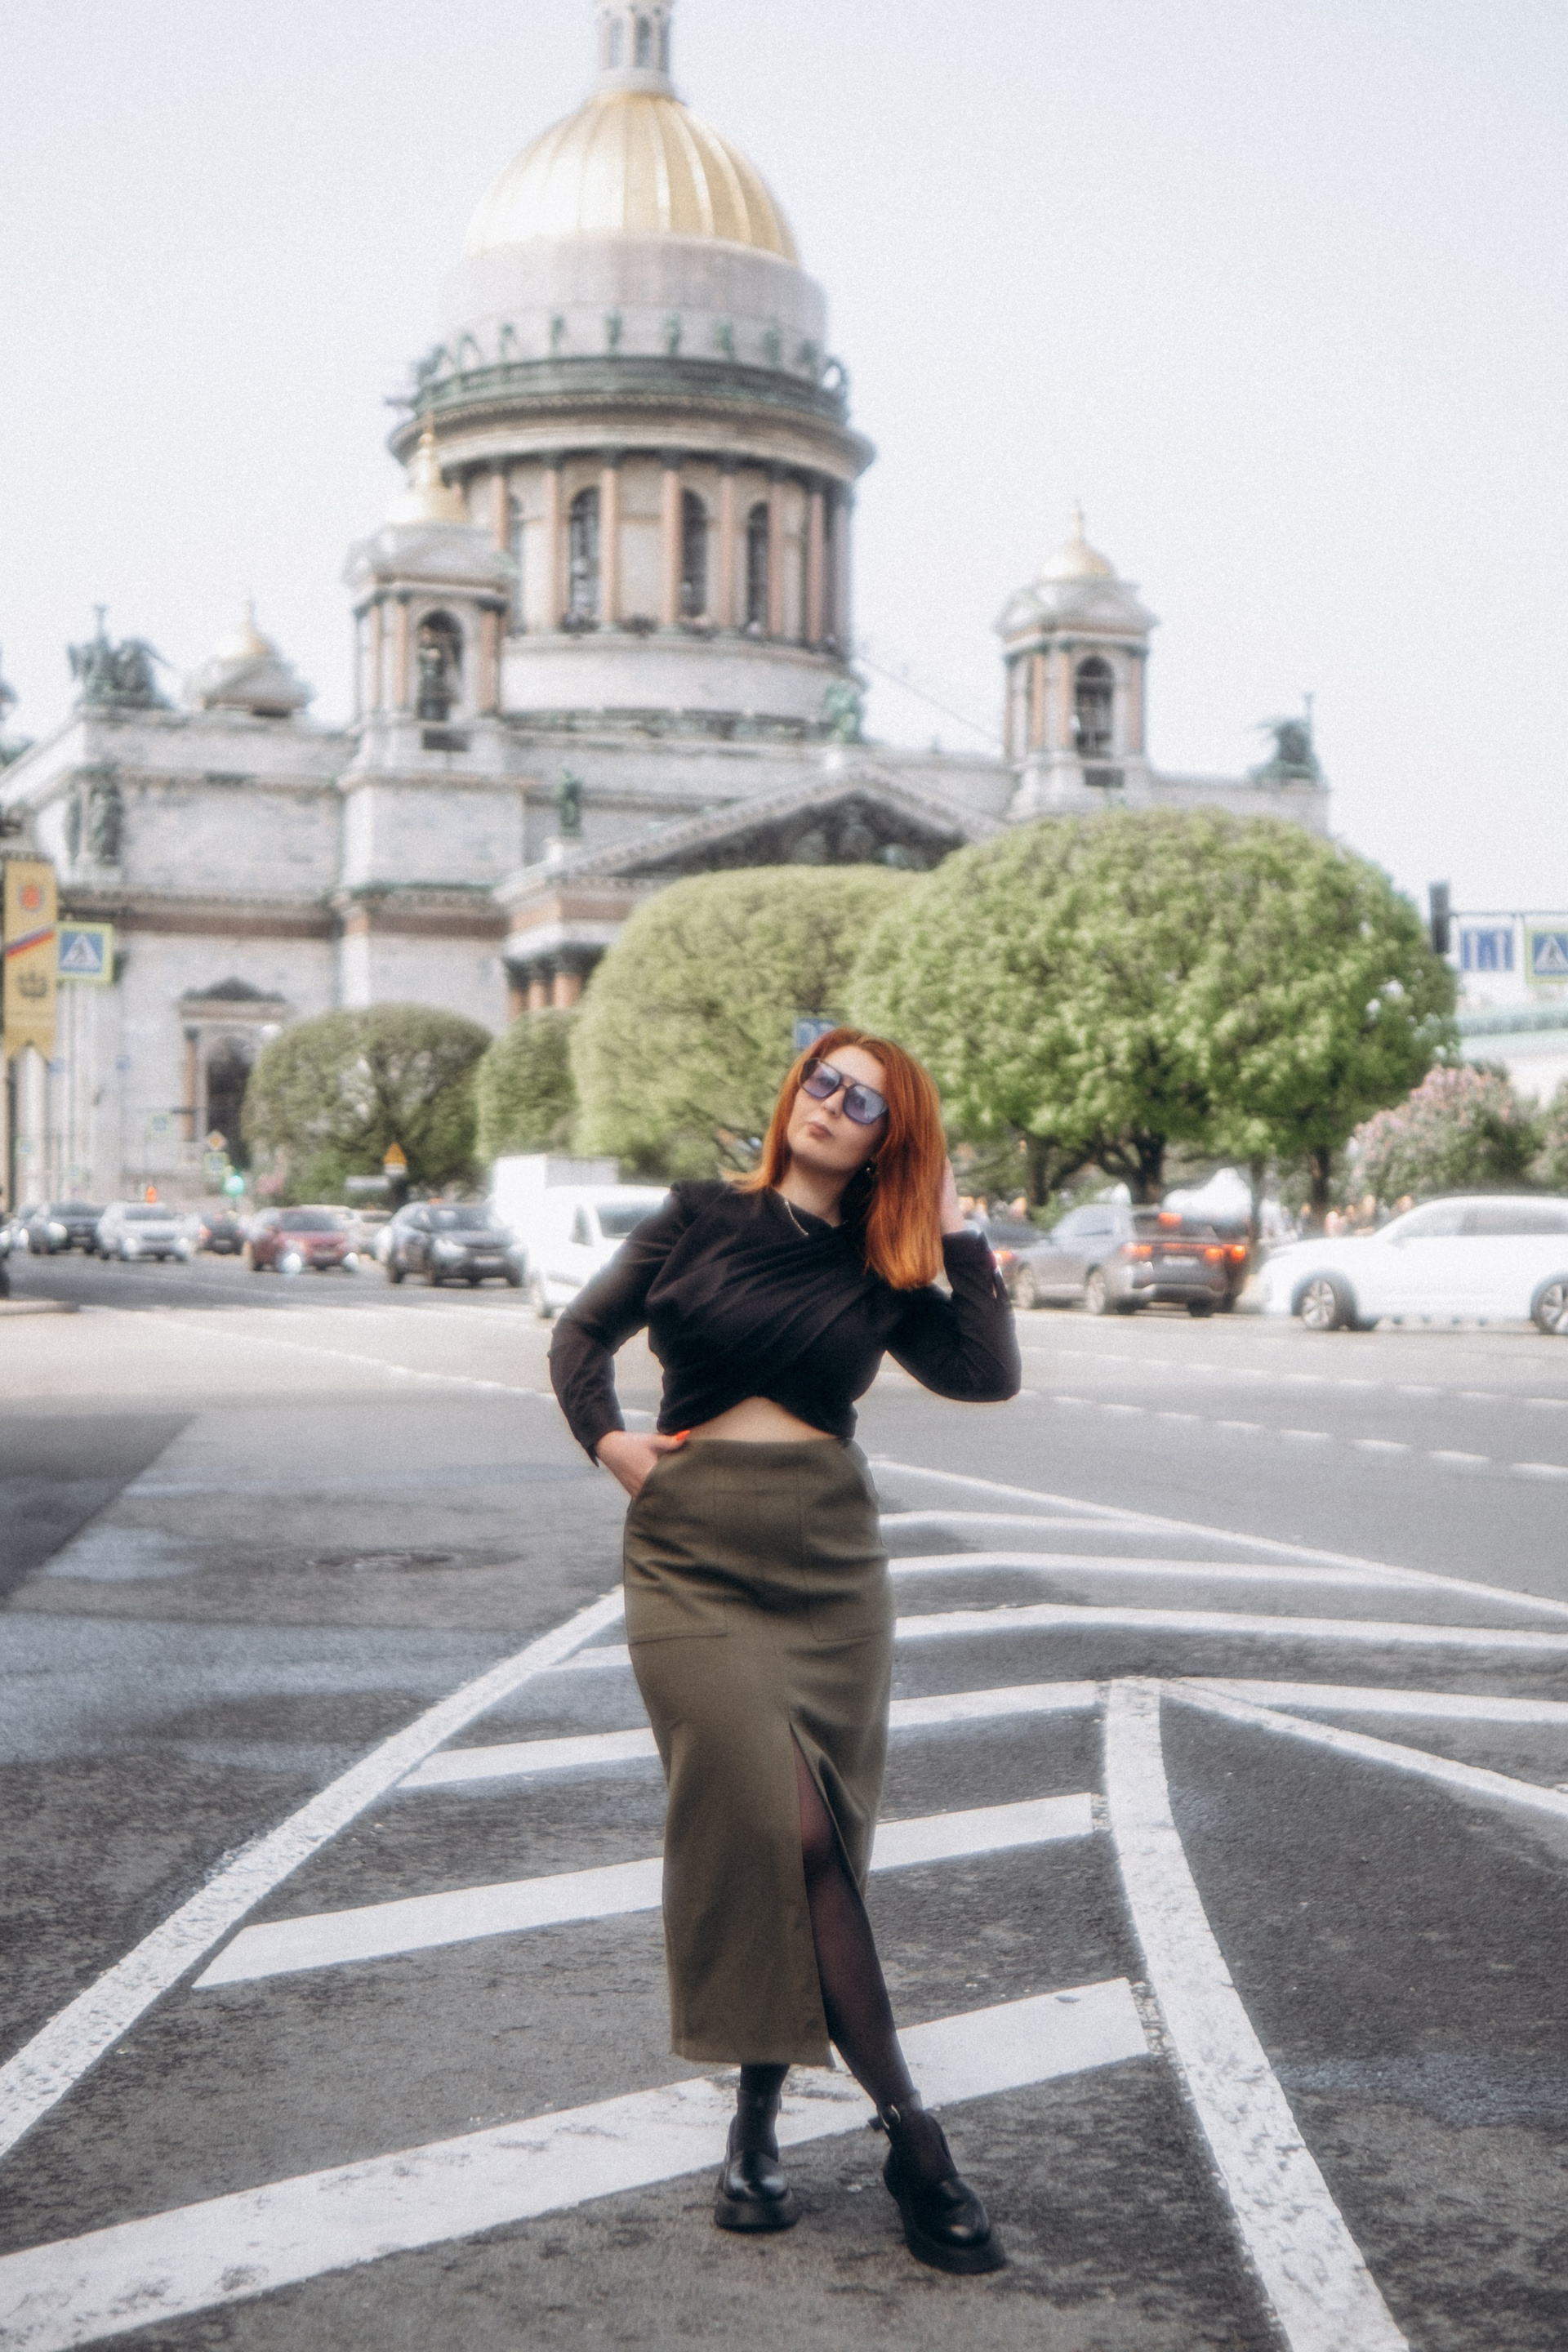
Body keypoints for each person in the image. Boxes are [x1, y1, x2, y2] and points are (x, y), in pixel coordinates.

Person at [549, 1028, 1021, 2274]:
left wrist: (956, 1230)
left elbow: (985, 1373)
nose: (832, 1103)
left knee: (815, 1839)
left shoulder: (883, 1261)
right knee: (779, 1824)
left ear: (891, 1140)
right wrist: (611, 1442)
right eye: (824, 1080)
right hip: (690, 1550)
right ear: (794, 1092)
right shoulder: (699, 1216)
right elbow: (580, 1337)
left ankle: (756, 2126)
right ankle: (915, 2136)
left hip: (828, 1563)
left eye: (866, 1103)